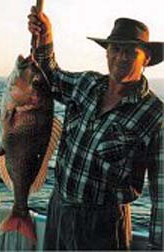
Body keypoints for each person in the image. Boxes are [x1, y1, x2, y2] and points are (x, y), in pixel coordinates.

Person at [28, 6, 163, 251]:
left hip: (104, 226)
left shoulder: (155, 116)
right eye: (116, 49)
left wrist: (157, 246)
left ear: (147, 59)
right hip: (58, 208)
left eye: (131, 52)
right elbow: (49, 76)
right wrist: (45, 35)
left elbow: (161, 195)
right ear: (107, 52)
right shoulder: (86, 84)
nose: (121, 57)